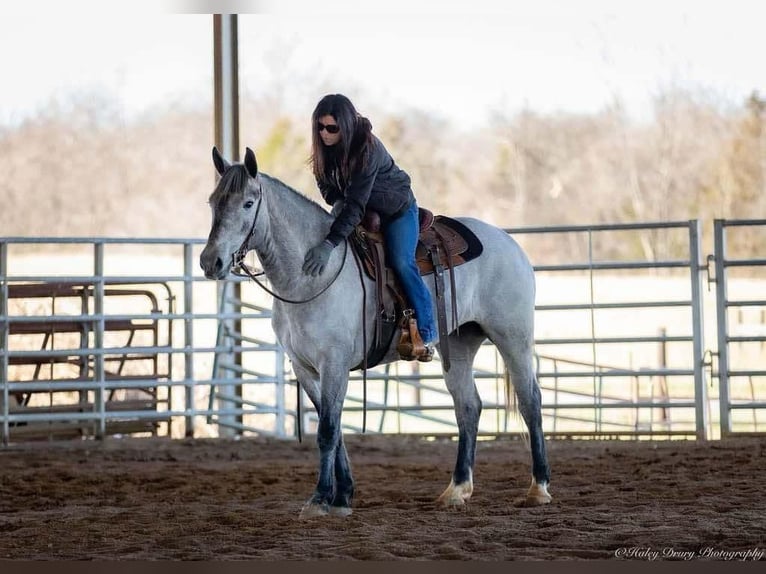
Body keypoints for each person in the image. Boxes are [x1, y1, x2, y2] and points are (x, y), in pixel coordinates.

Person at [302, 93, 436, 360]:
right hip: (361, 206)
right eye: (320, 127)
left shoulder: (368, 149)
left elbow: (356, 205)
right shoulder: (323, 150)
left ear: (346, 126)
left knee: (401, 261)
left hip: (396, 208)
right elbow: (327, 189)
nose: (324, 134)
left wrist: (329, 243)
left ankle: (427, 332)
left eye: (331, 128)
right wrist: (338, 201)